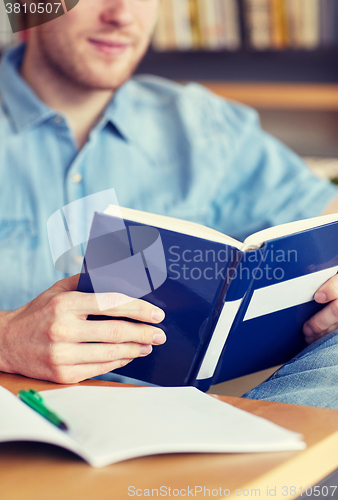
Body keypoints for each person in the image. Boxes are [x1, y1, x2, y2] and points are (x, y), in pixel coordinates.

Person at [0, 0, 337, 407]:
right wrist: (6, 339)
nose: (121, 15)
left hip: (166, 431)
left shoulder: (205, 126)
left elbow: (328, 222)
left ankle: (254, 458)